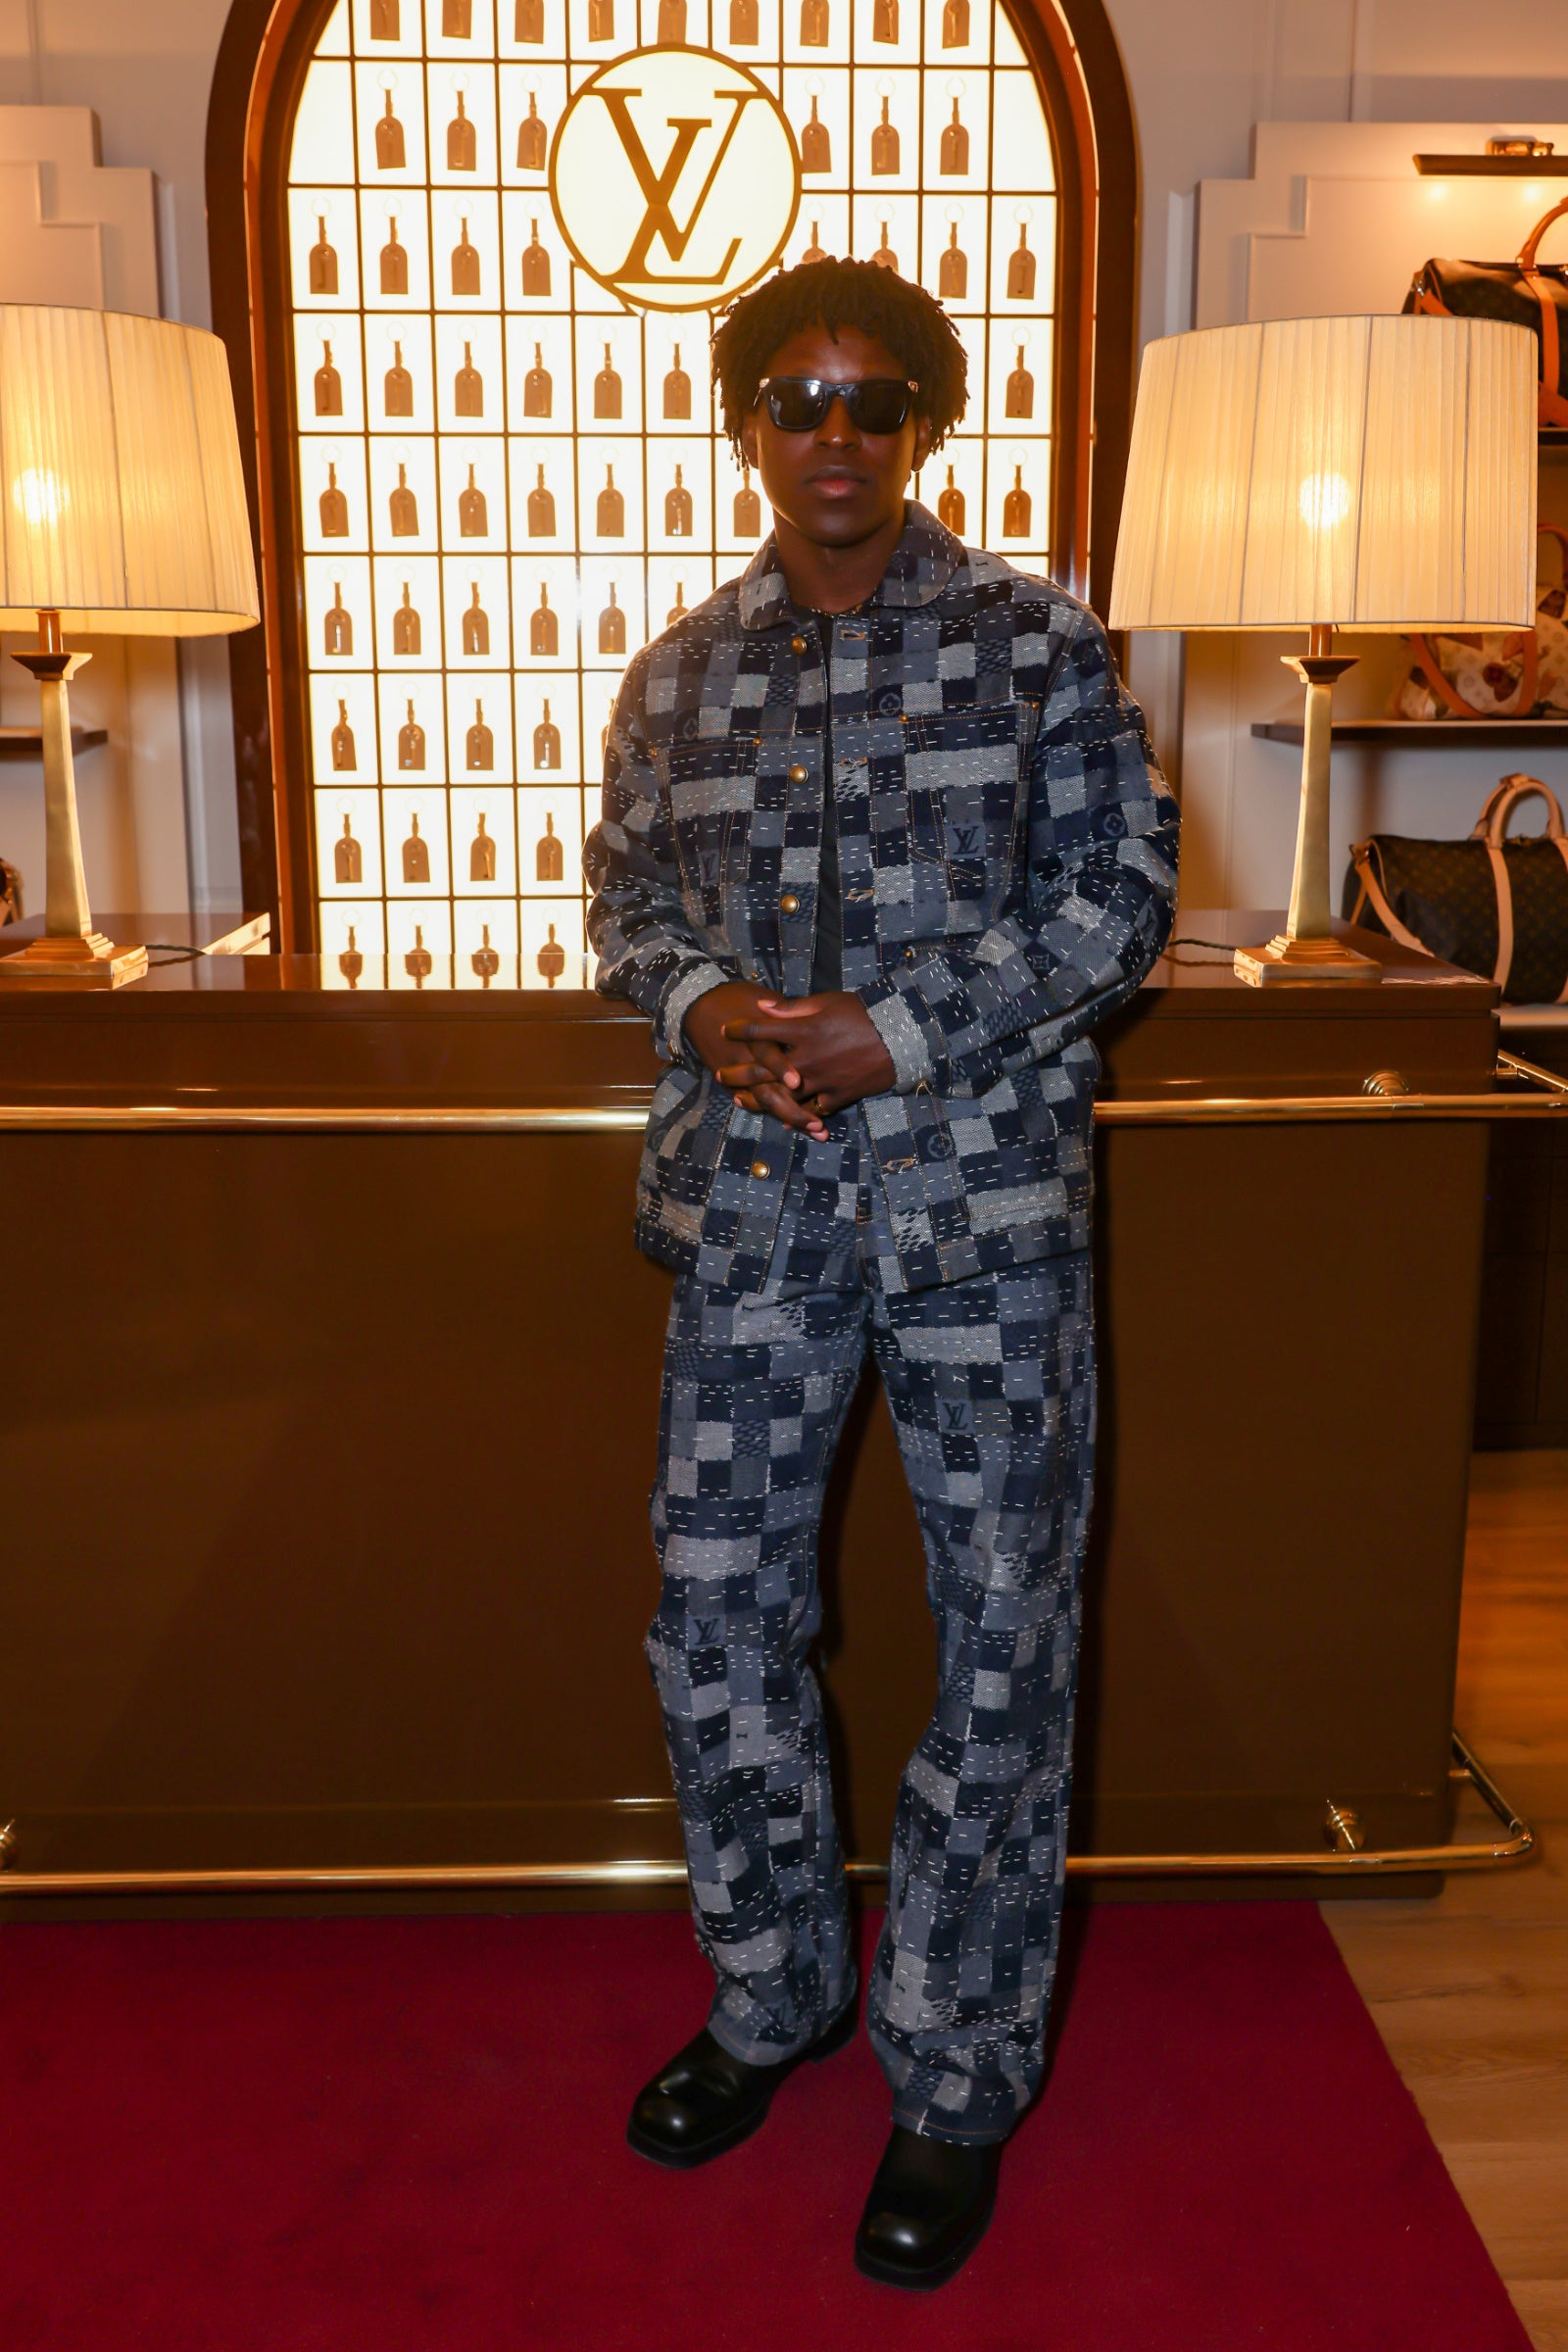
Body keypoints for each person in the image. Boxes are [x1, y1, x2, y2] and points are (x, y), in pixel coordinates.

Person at [584, 256, 1179, 2290]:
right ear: (745, 423)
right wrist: (704, 1006)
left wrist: (897, 1033)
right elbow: (624, 900)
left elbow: (1120, 898)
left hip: (980, 1223)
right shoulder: (677, 673)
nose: (831, 431)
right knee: (715, 1615)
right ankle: (770, 1995)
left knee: (1001, 1636)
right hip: (749, 1211)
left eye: (871, 397)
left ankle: (955, 2067)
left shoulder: (1035, 646)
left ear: (924, 421)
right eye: (794, 395)